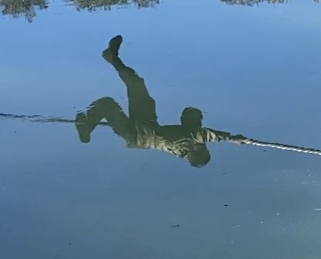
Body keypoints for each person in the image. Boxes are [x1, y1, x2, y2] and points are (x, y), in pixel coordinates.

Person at [75, 35, 236, 164]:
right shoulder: (191, 138)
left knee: (107, 103)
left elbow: (207, 135)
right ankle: (113, 58)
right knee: (136, 84)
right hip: (147, 123)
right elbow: (205, 135)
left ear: (198, 151)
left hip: (137, 134)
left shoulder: (187, 143)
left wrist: (233, 138)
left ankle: (85, 127)